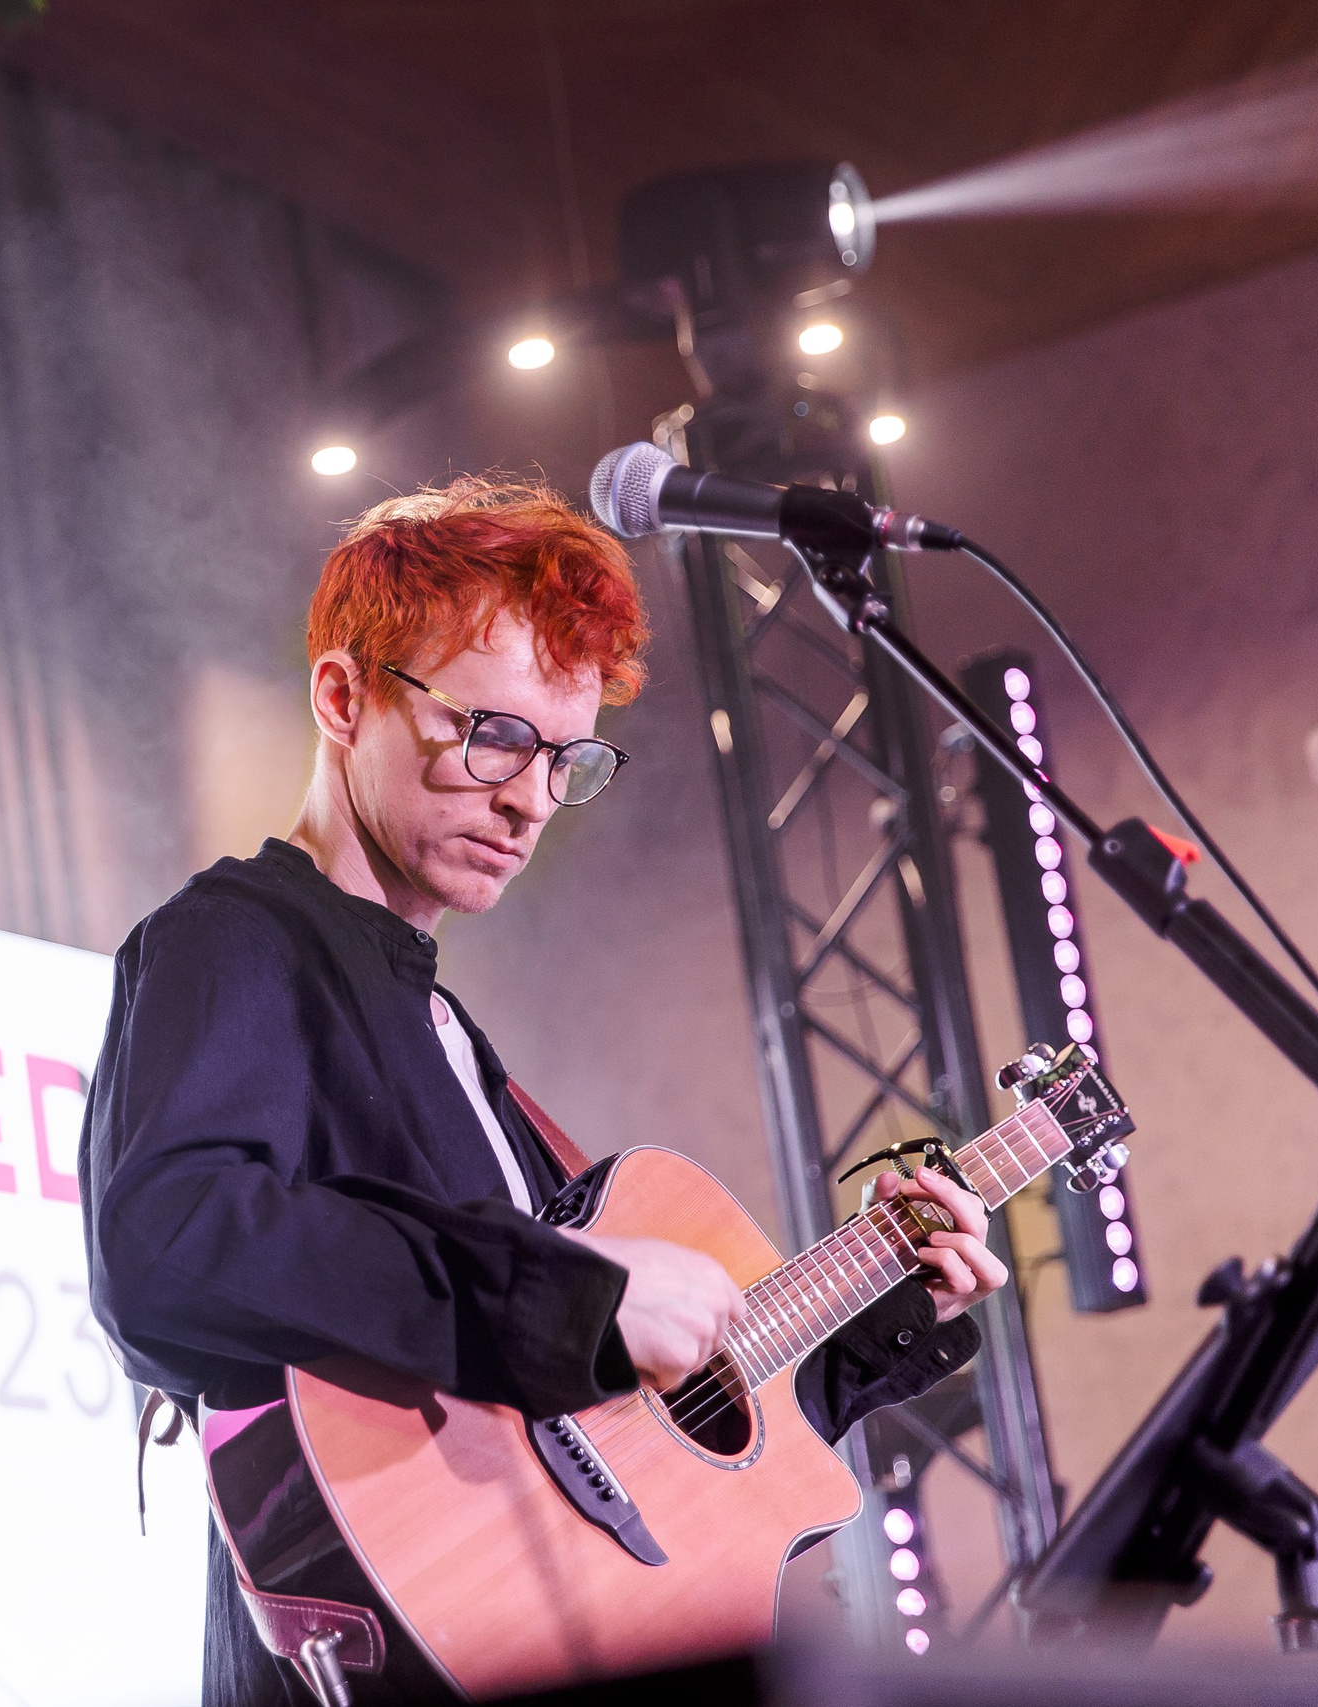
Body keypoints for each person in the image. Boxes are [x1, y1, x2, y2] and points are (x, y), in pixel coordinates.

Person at [79, 476, 1006, 1706]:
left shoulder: (446, 1031)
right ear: (344, 696)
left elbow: (637, 1445)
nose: (527, 799)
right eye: (494, 734)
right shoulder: (234, 939)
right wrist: (572, 1296)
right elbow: (168, 1247)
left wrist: (883, 1307)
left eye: (564, 759)